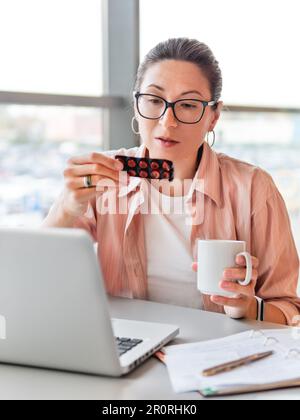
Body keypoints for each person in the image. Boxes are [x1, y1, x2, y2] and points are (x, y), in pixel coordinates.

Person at [43, 38, 300, 326]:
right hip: (124, 342)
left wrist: (249, 308)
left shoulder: (253, 188)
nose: (168, 122)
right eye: (154, 100)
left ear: (213, 116)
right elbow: (38, 272)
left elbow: (289, 307)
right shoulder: (102, 177)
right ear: (136, 104)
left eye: (188, 105)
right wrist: (66, 208)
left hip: (217, 352)